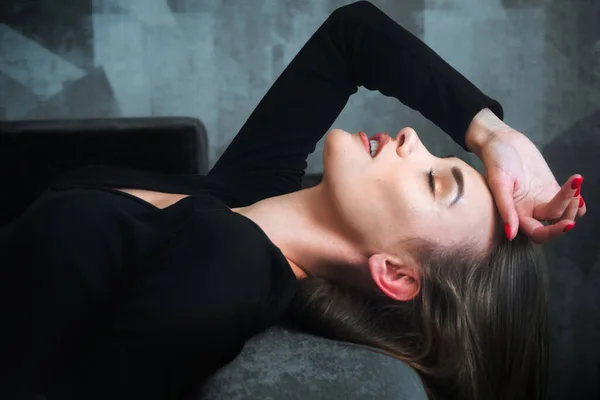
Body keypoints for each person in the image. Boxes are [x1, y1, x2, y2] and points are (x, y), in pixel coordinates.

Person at [0, 1, 586, 400]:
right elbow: (351, 35)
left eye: (434, 181)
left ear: (395, 274)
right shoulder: (252, 195)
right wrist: (494, 135)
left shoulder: (230, 268)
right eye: (441, 158)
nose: (412, 139)